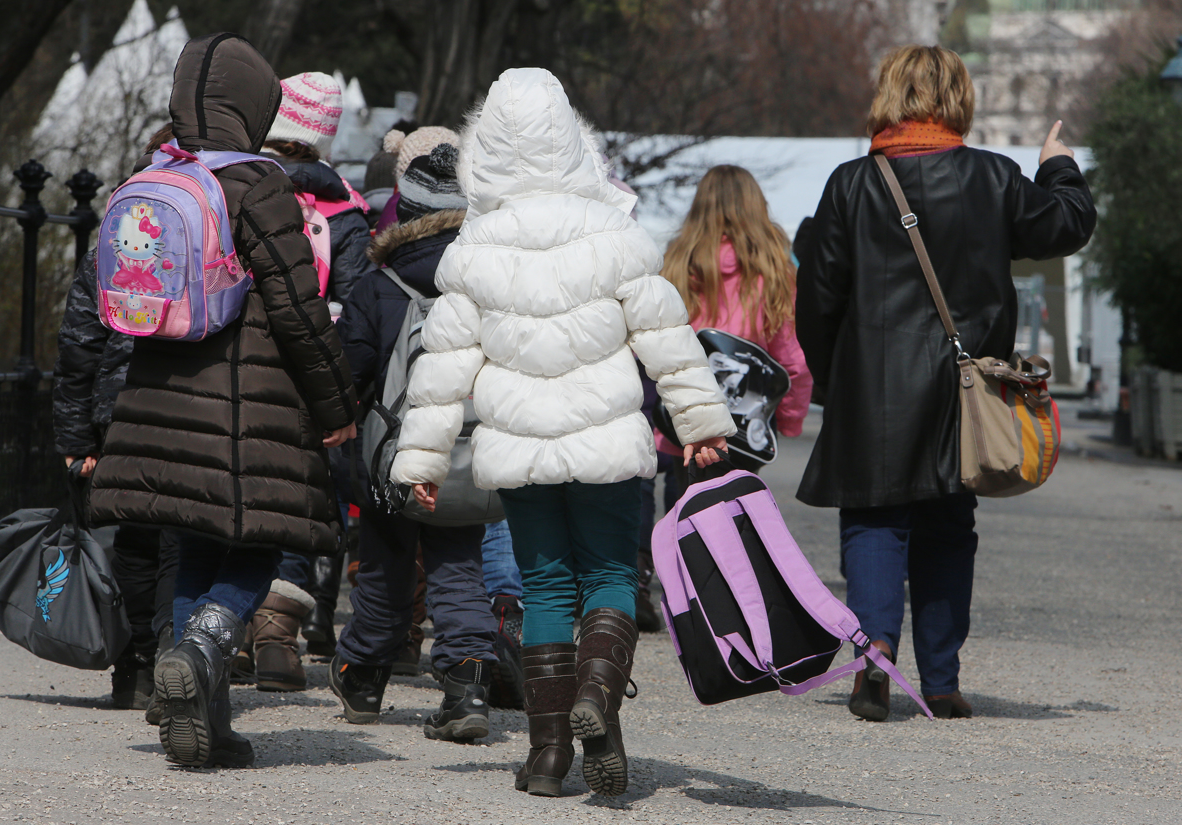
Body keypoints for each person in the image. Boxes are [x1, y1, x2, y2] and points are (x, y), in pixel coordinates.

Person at [391, 68, 735, 798]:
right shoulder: (614, 232)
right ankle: (597, 701)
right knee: (609, 575)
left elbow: (442, 366)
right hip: (608, 444)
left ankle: (547, 755)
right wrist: (700, 423)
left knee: (545, 583)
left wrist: (419, 459)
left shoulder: (475, 247)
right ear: (574, 141)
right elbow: (667, 337)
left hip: (520, 448)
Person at [795, 45, 1096, 722]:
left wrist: (830, 375)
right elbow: (1067, 224)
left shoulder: (851, 184)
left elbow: (817, 296)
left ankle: (874, 652)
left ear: (888, 95)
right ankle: (941, 679)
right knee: (948, 525)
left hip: (873, 387)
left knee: (874, 519)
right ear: (958, 97)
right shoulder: (993, 177)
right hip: (968, 390)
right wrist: (1058, 165)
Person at [87, 33, 358, 769]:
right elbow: (300, 308)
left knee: (196, 541)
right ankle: (207, 644)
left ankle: (201, 702)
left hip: (160, 395)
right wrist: (337, 408)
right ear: (253, 105)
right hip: (249, 404)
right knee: (258, 542)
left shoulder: (154, 175)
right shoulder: (257, 184)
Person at [329, 137, 508, 737]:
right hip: (464, 453)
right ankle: (468, 687)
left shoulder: (378, 288)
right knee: (460, 566)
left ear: (402, 216)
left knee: (384, 570)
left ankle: (362, 676)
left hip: (389, 459)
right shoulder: (488, 288)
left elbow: (348, 372)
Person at [229, 71, 375, 694]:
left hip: (232, 368)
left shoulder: (231, 186)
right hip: (306, 376)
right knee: (291, 498)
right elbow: (355, 306)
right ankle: (277, 639)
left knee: (233, 490)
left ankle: (221, 628)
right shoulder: (345, 210)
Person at [52, 126, 180, 719]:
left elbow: (80, 343)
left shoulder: (112, 239)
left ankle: (137, 664)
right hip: (190, 405)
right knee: (182, 534)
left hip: (120, 406)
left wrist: (78, 437)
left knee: (135, 536)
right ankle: (173, 657)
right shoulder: (211, 236)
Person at [658, 164, 814, 488]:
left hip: (685, 417)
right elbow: (792, 360)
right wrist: (787, 420)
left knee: (682, 513)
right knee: (735, 518)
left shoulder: (675, 265)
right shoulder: (773, 271)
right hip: (743, 422)